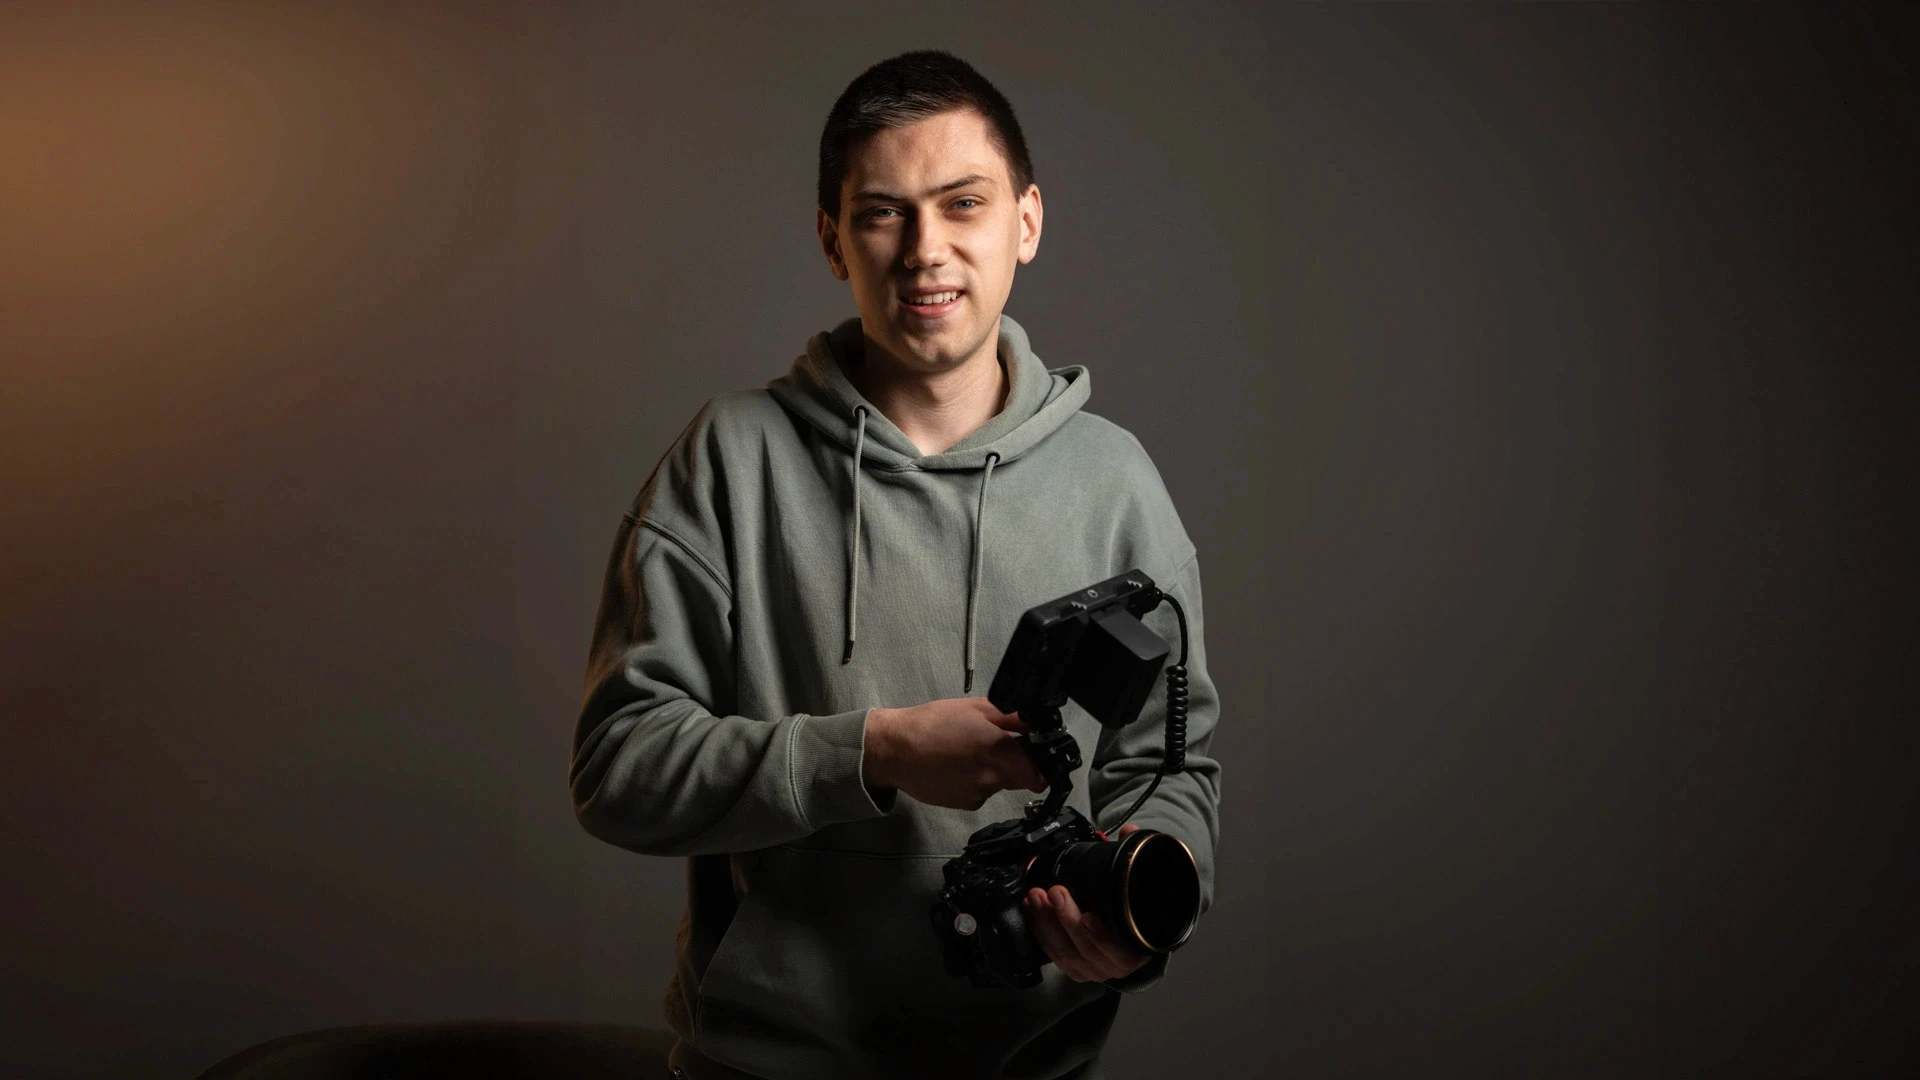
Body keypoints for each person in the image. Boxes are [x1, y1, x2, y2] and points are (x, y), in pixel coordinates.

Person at [570, 50, 1222, 1080]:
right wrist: (868, 754)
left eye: (963, 202)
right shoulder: (730, 461)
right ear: (833, 239)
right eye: (883, 212)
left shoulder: (1116, 483)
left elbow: (1168, 769)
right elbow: (619, 770)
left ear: (1026, 221)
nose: (926, 251)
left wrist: (1142, 911)